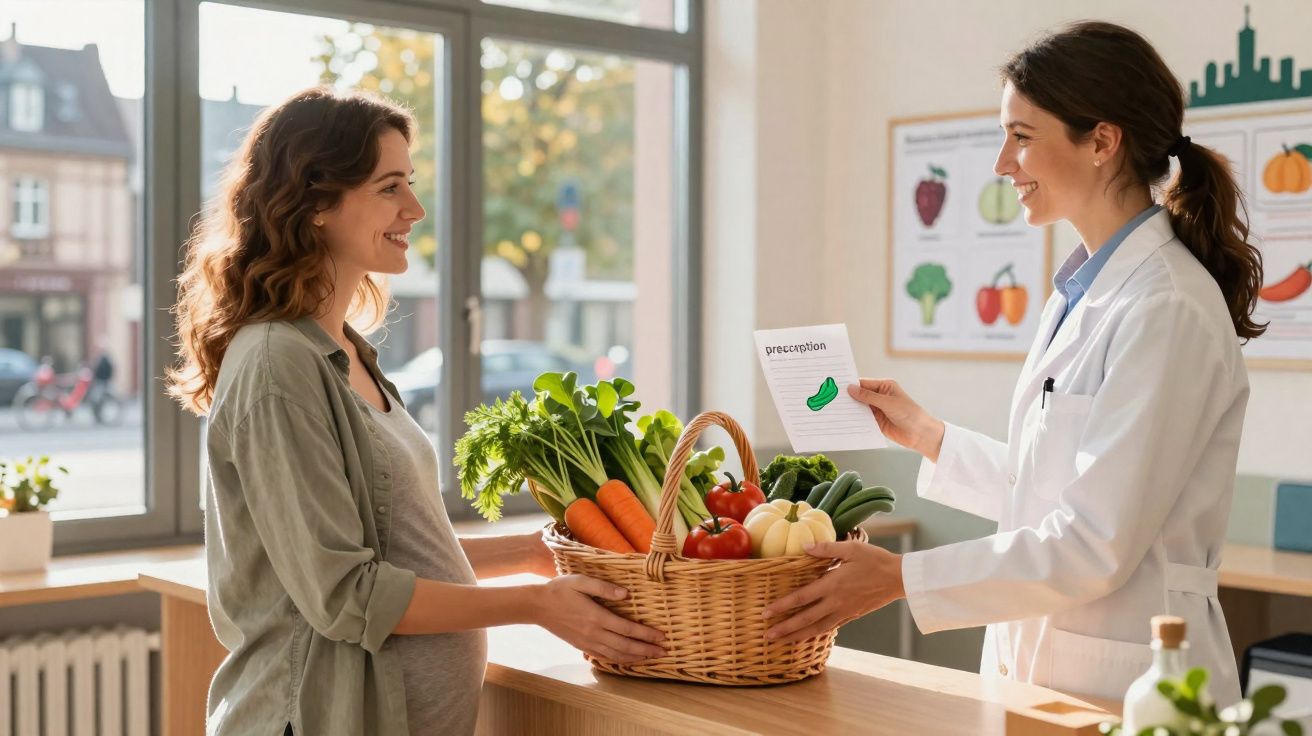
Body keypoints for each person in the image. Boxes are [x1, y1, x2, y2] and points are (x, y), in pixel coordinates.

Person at [762, 21, 1263, 705]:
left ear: (1102, 142)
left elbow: (1095, 542)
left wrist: (901, 576)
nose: (1002, 163)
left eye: (1022, 137)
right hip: (1049, 672)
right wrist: (930, 437)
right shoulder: (1084, 292)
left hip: (1133, 682)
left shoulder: (1165, 307)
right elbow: (1057, 494)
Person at [166, 87, 664, 736]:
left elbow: (386, 544)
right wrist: (537, 606)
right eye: (389, 187)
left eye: (411, 183)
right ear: (316, 203)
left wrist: (524, 551)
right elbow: (345, 594)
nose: (416, 208)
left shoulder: (346, 352)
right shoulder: (275, 365)